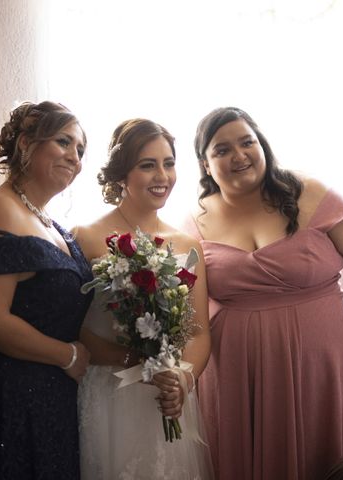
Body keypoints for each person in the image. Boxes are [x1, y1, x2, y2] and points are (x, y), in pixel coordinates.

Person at [181, 106, 343, 480]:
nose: (239, 155)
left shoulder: (311, 194)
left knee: (328, 453)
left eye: (247, 142)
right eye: (222, 150)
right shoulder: (194, 221)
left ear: (263, 145)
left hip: (325, 363)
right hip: (238, 371)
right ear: (205, 165)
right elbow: (190, 306)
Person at [0, 101, 94, 479]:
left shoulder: (48, 221)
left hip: (50, 394)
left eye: (80, 149)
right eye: (64, 141)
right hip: (7, 394)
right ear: (27, 143)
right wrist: (68, 356)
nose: (74, 157)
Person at [73, 118, 215, 479]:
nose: (162, 176)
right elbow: (72, 325)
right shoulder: (86, 237)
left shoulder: (186, 245)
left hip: (165, 394)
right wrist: (133, 358)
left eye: (168, 163)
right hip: (109, 390)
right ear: (122, 173)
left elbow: (198, 332)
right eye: (147, 165)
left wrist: (182, 380)